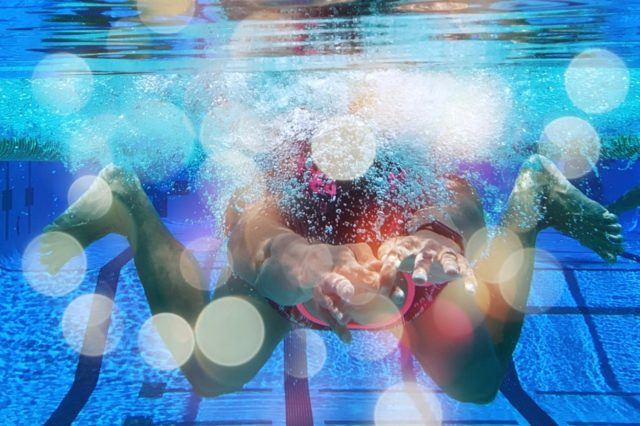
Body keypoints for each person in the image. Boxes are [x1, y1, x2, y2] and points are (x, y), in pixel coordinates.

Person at [29, 109, 625, 404]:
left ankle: (532, 197)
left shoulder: (402, 172)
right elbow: (259, 230)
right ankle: (127, 201)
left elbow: (452, 207)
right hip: (287, 252)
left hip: (401, 238)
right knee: (213, 370)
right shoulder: (282, 185)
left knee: (475, 382)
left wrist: (437, 243)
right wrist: (289, 258)